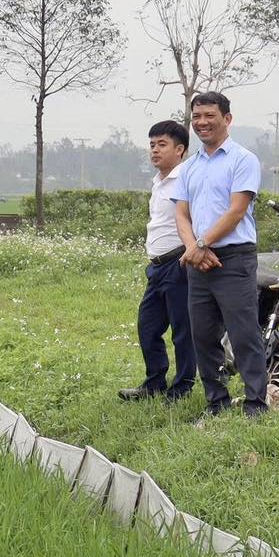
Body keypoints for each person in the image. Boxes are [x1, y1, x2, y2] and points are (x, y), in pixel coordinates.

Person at [172, 91, 268, 417]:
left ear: (227, 118)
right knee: (201, 334)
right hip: (197, 260)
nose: (202, 122)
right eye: (196, 117)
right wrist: (194, 248)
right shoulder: (188, 168)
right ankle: (217, 400)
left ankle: (256, 402)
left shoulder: (243, 159)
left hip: (234, 258)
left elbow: (236, 211)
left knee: (243, 332)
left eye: (209, 115)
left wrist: (200, 245)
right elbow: (181, 215)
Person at [119, 119, 197, 403]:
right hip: (157, 266)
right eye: (152, 144)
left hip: (179, 263)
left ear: (180, 150)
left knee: (182, 330)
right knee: (148, 325)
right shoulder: (158, 182)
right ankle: (154, 382)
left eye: (162, 144)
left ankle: (182, 387)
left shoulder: (188, 179)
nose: (154, 150)